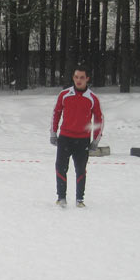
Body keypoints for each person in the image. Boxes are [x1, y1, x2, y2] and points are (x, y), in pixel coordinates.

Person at [50, 65, 104, 208]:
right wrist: (53, 132)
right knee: (61, 167)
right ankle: (61, 197)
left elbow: (99, 119)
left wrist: (96, 140)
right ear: (73, 78)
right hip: (65, 138)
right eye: (76, 77)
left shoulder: (92, 98)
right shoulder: (64, 94)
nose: (78, 80)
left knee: (80, 169)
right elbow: (56, 113)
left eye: (82, 77)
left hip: (82, 140)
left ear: (87, 79)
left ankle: (80, 199)